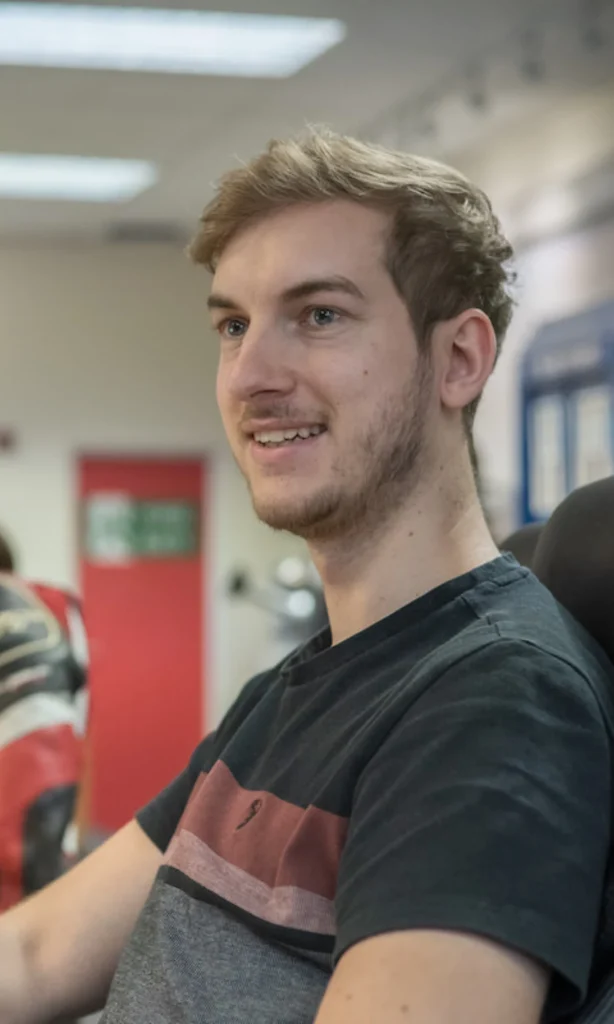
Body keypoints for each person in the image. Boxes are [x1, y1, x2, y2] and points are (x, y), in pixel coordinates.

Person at [1, 129, 613, 1024]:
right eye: (233, 325)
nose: (250, 374)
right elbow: (34, 951)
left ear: (460, 359)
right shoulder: (287, 696)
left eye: (319, 315)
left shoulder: (497, 705)